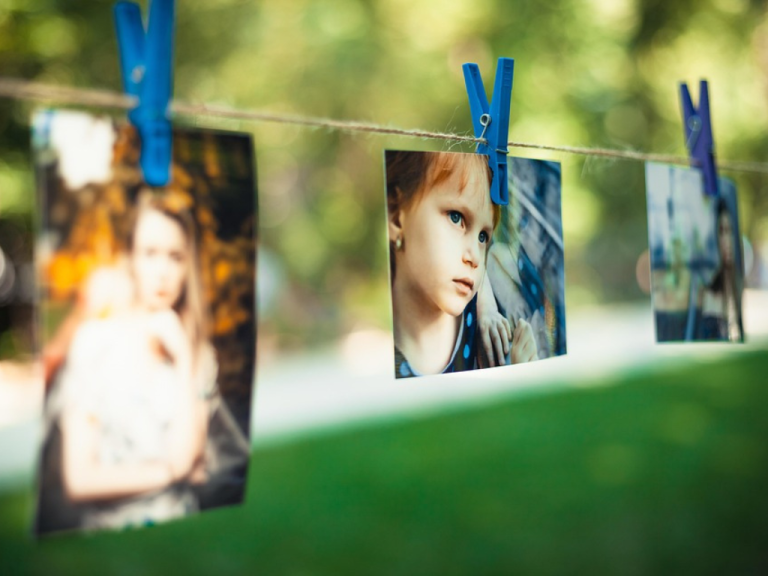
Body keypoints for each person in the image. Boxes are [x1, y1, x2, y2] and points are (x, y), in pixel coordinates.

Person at [49, 190, 217, 531]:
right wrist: (170, 472)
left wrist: (184, 358)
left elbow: (190, 459)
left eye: (176, 256)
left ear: (188, 266)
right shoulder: (95, 343)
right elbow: (80, 480)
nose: (162, 271)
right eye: (150, 253)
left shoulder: (198, 354)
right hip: (110, 537)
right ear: (131, 258)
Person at [386, 150, 537, 378]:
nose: (475, 258)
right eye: (456, 218)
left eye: (483, 237)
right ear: (397, 214)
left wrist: (487, 308)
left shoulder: (475, 314)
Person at [696, 197, 744, 341]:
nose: (727, 240)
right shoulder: (710, 293)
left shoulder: (738, 281)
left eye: (730, 231)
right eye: (722, 231)